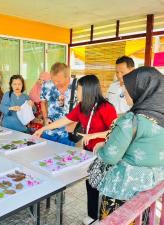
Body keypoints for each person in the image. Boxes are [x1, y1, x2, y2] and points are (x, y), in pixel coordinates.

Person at [34, 75, 117, 224]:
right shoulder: (82, 106)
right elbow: (65, 120)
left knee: (103, 187)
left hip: (104, 152)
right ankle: (92, 216)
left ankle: (106, 218)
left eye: (78, 89)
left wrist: (94, 136)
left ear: (87, 90)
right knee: (91, 182)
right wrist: (44, 128)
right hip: (89, 151)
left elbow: (115, 131)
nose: (76, 92)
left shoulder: (106, 107)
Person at [95, 67, 164, 224]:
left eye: (127, 91)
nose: (124, 94)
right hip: (150, 191)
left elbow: (110, 156)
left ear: (142, 91)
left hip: (122, 191)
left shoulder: (132, 120)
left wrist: (99, 148)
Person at [40, 62, 77, 146]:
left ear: (67, 77)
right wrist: (45, 118)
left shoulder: (78, 85)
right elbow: (43, 102)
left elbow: (85, 106)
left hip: (68, 132)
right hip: (50, 130)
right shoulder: (46, 85)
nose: (55, 83)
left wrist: (75, 123)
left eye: (58, 81)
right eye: (53, 80)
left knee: (66, 157)